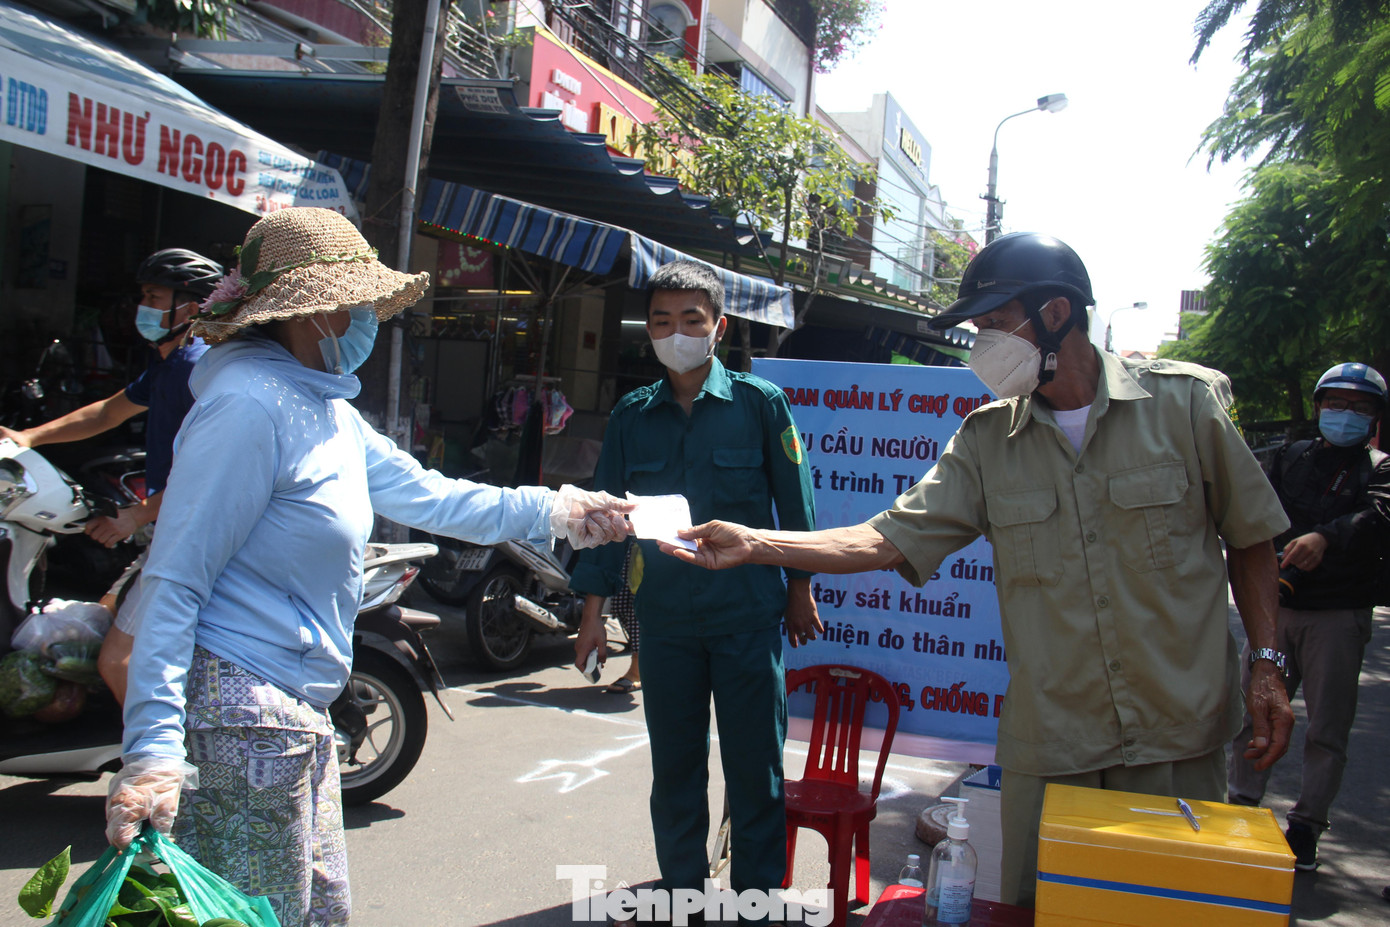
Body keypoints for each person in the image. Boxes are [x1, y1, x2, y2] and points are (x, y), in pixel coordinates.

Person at [657, 233, 1296, 908]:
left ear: (1055, 312)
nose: (981, 344)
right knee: (1044, 910)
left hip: (1177, 731)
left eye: (993, 324)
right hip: (1053, 743)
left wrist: (1267, 660)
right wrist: (757, 543)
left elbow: (1251, 537)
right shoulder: (987, 441)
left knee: (1170, 914)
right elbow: (882, 539)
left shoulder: (1185, 406)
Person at [102, 207, 633, 927]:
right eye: (353, 301)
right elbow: (175, 579)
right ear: (312, 312)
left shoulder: (324, 410)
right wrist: (155, 748)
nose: (363, 318)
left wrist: (562, 512)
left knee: (315, 915)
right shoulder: (247, 407)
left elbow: (435, 497)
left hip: (297, 712)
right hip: (242, 714)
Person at [570, 259, 821, 922]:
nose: (675, 332)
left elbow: (794, 505)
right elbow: (604, 524)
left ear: (718, 327)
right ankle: (684, 896)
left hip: (747, 619)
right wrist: (591, 614)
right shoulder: (631, 416)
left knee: (755, 773)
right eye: (661, 320)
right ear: (646, 331)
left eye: (690, 319)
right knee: (675, 774)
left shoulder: (759, 405)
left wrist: (801, 590)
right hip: (668, 625)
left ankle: (758, 903)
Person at [0, 248, 224, 702]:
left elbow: (211, 469)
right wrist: (30, 437)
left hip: (191, 533)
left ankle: (165, 765)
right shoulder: (167, 364)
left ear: (192, 307)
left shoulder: (193, 367)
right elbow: (108, 411)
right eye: (144, 295)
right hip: (173, 528)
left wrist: (136, 516)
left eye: (154, 296)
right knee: (106, 613)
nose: (142, 307)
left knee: (115, 660)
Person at [1228, 362, 1390, 871]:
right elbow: (1253, 514)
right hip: (1273, 610)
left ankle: (1306, 826)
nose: (1345, 415)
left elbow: (1378, 515)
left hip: (1336, 616)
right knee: (1251, 712)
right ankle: (1241, 806)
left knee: (1326, 728)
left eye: (1359, 408)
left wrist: (1326, 537)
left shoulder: (1380, 468)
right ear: (1319, 407)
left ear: (1374, 419)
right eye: (1336, 404)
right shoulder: (1288, 458)